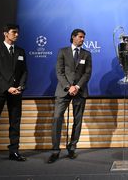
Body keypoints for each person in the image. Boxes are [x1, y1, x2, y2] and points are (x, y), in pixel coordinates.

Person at [0, 24, 28, 168]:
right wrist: (8, 88)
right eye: (14, 32)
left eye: (17, 33)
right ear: (5, 33)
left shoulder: (20, 51)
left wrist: (20, 86)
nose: (16, 35)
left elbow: (25, 71)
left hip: (16, 93)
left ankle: (14, 151)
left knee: (15, 123)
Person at [47, 29, 92, 164]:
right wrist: (68, 86)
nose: (82, 39)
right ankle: (55, 150)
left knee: (77, 120)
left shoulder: (87, 54)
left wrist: (77, 87)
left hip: (80, 91)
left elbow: (87, 73)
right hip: (63, 90)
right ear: (73, 37)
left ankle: (72, 147)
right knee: (56, 118)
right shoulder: (63, 51)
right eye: (80, 37)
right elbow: (59, 72)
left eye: (84, 37)